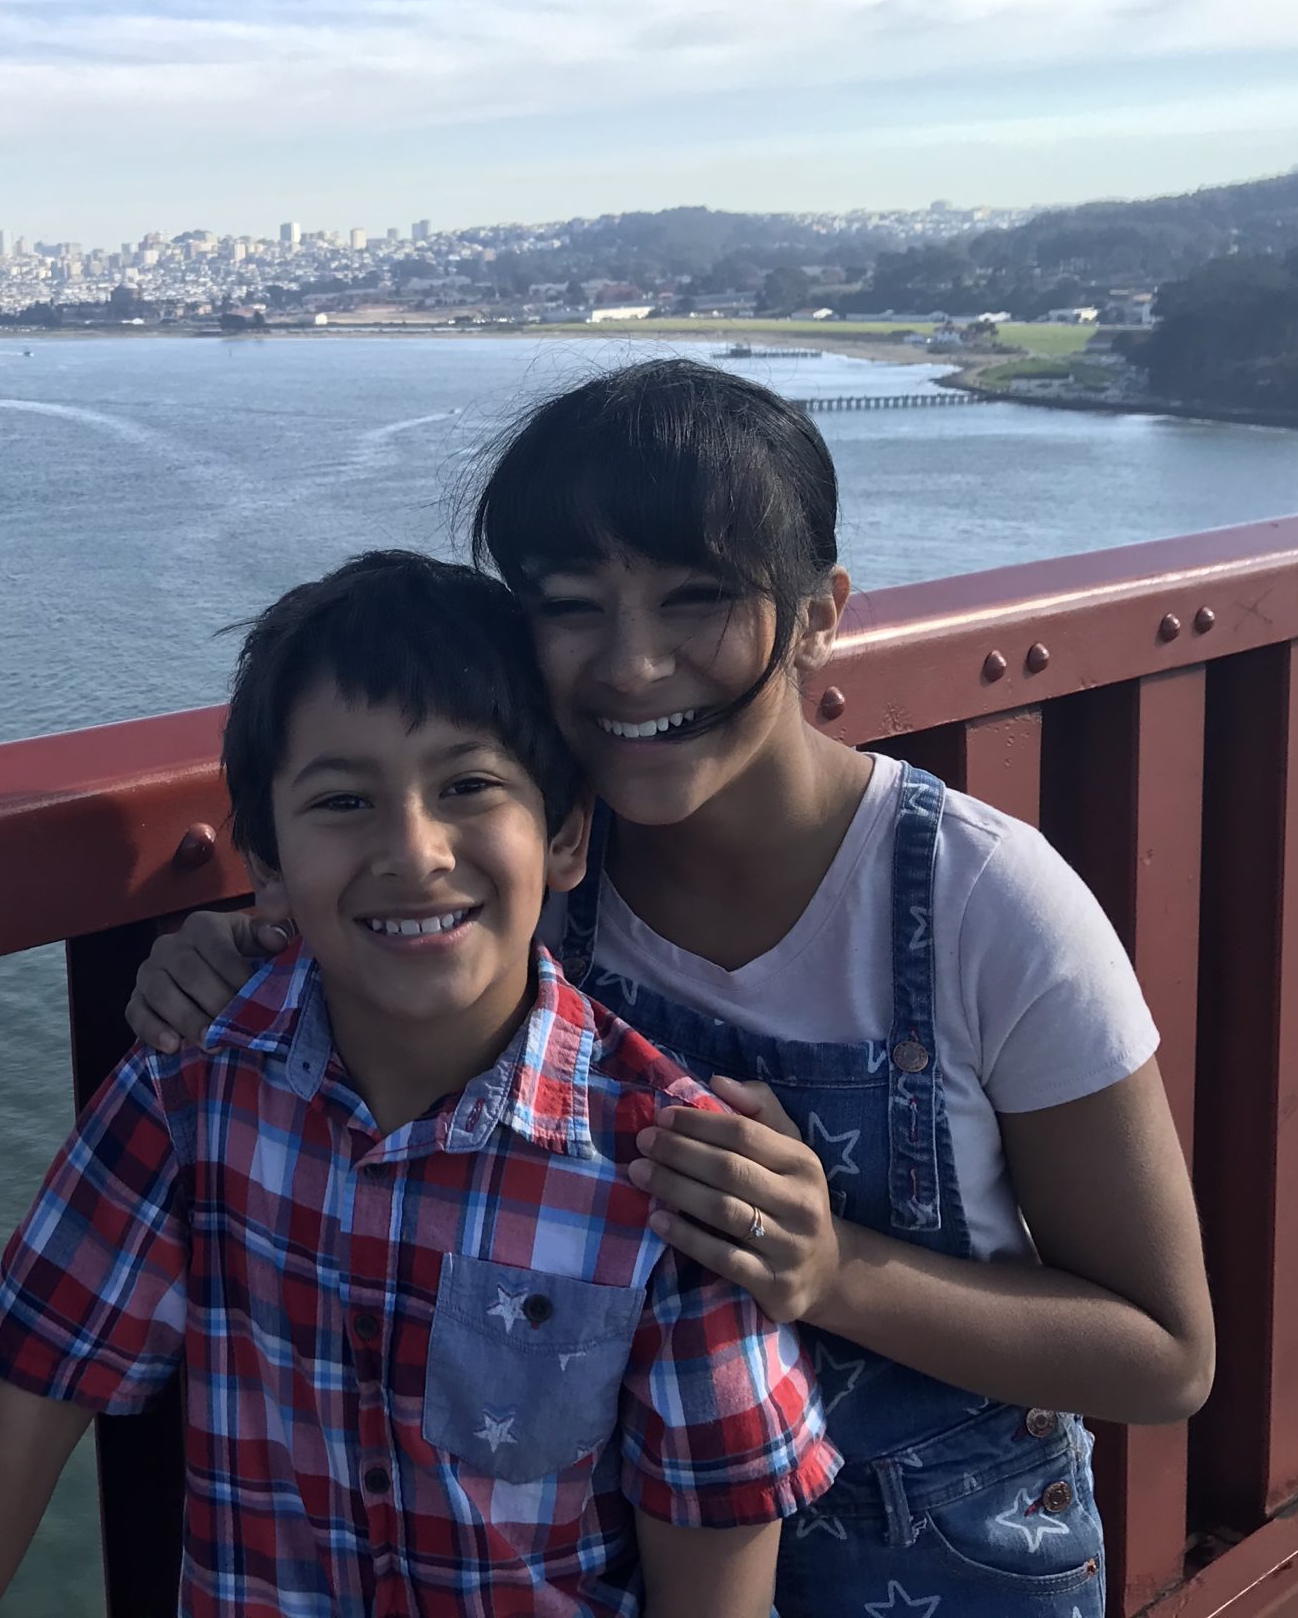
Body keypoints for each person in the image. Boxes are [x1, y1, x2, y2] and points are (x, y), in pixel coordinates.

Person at [128, 363, 1216, 1618]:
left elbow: (1162, 1353)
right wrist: (230, 949)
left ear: (818, 616)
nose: (634, 665)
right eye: (571, 605)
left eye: (697, 600)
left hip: (947, 1576)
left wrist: (831, 1271)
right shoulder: (531, 877)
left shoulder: (980, 903)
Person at [0, 550, 838, 1618]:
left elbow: (716, 1575)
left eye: (468, 787)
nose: (413, 850)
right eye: (342, 801)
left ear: (565, 834)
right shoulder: (193, 1089)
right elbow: (28, 1399)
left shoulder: (666, 1166)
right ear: (273, 864)